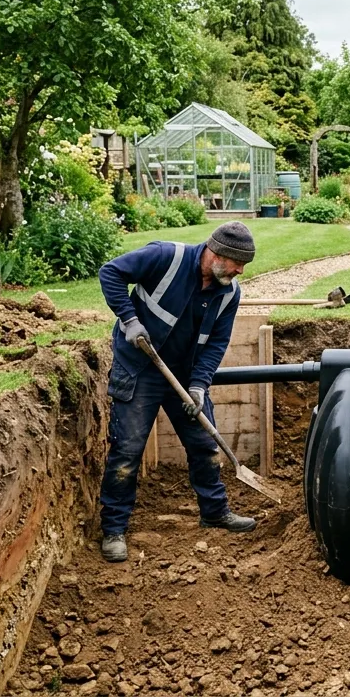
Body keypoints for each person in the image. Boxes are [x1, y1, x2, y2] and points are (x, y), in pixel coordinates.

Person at [95, 221, 257, 563]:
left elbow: (216, 343)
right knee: (128, 450)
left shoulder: (229, 291)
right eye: (236, 262)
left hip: (184, 376)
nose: (240, 270)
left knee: (204, 444)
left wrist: (198, 386)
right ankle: (114, 529)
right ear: (215, 253)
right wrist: (129, 319)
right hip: (140, 368)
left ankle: (214, 511)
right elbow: (109, 272)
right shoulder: (165, 257)